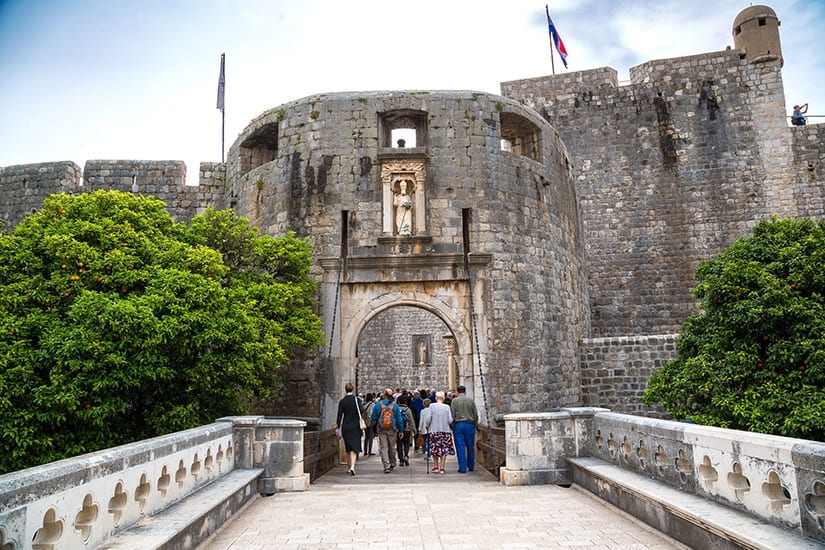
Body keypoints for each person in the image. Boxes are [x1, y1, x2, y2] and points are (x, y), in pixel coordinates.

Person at [370, 388, 404, 473]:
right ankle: (392, 463)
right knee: (392, 447)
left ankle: (386, 466)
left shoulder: (378, 405)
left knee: (383, 447)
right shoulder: (395, 406)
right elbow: (399, 419)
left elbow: (373, 417)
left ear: (384, 395)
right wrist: (401, 430)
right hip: (392, 429)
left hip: (381, 428)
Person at [335, 382, 363, 476]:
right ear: (353, 389)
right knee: (354, 447)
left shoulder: (342, 402)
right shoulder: (357, 400)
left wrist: (338, 428)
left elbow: (339, 416)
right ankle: (352, 467)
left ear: (345, 389)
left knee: (348, 447)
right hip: (355, 426)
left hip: (346, 426)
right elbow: (362, 411)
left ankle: (349, 467)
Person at [450, 385, 479, 473]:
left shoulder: (454, 401)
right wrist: (476, 424)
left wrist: (453, 425)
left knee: (460, 446)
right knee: (470, 446)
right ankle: (471, 465)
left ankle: (462, 468)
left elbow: (452, 414)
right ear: (465, 392)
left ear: (457, 392)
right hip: (470, 424)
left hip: (459, 424)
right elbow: (475, 414)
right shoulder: (471, 401)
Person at [425, 391, 454, 474]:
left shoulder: (432, 406)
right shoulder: (447, 407)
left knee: (435, 448)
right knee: (444, 448)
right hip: (445, 430)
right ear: (443, 398)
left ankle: (435, 466)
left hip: (434, 430)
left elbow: (428, 418)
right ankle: (442, 467)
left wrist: (427, 425)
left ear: (436, 398)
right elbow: (450, 420)